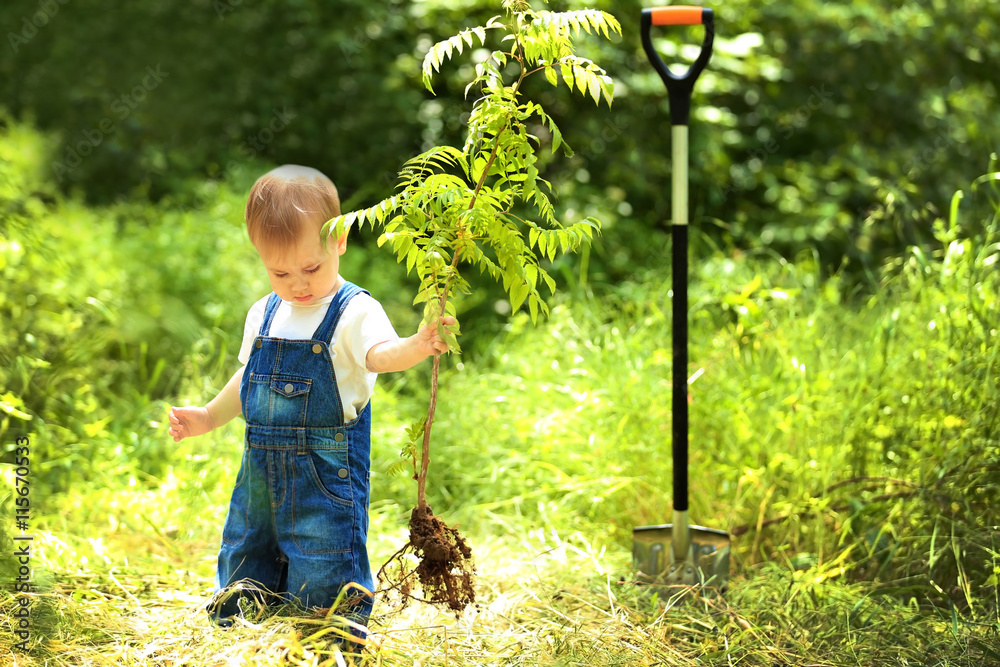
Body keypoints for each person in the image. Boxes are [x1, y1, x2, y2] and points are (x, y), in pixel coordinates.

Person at [167, 164, 453, 639]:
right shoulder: (265, 310)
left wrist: (419, 345)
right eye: (280, 271)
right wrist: (209, 416)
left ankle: (327, 633)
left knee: (325, 563)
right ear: (262, 259)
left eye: (311, 268)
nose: (298, 283)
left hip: (325, 473)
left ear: (338, 241)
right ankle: (246, 623)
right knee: (245, 548)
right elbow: (249, 376)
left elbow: (378, 357)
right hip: (259, 471)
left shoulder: (355, 310)